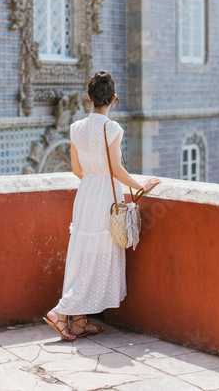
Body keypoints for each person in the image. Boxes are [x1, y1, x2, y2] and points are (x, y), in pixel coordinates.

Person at [43, 70, 161, 340]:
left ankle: (79, 321)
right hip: (106, 198)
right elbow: (117, 170)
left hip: (85, 195)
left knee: (82, 253)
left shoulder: (76, 128)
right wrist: (142, 186)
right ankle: (60, 312)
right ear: (114, 99)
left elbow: (76, 169)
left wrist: (93, 182)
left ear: (89, 98)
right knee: (95, 257)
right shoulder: (112, 128)